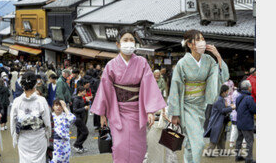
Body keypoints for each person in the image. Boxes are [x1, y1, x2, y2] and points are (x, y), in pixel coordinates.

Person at [90, 28, 166, 163]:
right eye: (125, 40)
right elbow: (104, 89)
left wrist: (150, 111)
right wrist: (102, 114)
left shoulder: (142, 62)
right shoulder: (111, 65)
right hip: (117, 111)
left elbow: (149, 86)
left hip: (138, 110)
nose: (129, 43)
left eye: (132, 40)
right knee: (119, 146)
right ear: (118, 44)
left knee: (139, 147)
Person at [168, 29, 229, 163]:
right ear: (190, 44)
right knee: (199, 143)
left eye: (203, 39)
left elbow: (222, 76)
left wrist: (218, 56)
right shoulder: (182, 63)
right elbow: (175, 88)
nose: (202, 42)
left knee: (190, 143)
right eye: (198, 39)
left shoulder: (208, 60)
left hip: (201, 105)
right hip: (186, 106)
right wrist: (175, 113)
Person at [10, 71, 51, 163]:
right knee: (40, 159)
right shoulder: (41, 100)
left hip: (23, 137)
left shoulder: (17, 101)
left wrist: (14, 136)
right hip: (39, 137)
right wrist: (48, 135)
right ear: (35, 83)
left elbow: (13, 121)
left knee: (24, 160)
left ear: (22, 85)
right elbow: (47, 122)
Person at [204, 85, 235, 154]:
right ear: (223, 92)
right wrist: (231, 108)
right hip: (217, 122)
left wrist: (229, 107)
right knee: (215, 138)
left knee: (221, 137)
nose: (227, 93)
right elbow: (222, 110)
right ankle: (209, 152)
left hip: (220, 121)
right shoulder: (219, 100)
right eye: (227, 91)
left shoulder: (220, 99)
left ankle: (222, 151)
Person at [235, 80, 256, 163]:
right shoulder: (249, 98)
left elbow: (237, 108)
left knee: (239, 140)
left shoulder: (238, 97)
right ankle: (249, 158)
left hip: (239, 121)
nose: (251, 88)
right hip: (247, 122)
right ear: (248, 88)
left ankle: (237, 156)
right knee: (250, 141)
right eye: (250, 86)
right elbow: (254, 109)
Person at [72, 86, 90, 153]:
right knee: (85, 132)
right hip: (78, 118)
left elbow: (84, 106)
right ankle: (76, 145)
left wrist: (87, 102)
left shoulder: (81, 98)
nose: (85, 93)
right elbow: (75, 110)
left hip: (82, 118)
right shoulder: (76, 99)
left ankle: (80, 147)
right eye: (84, 92)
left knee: (80, 133)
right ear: (79, 92)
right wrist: (84, 108)